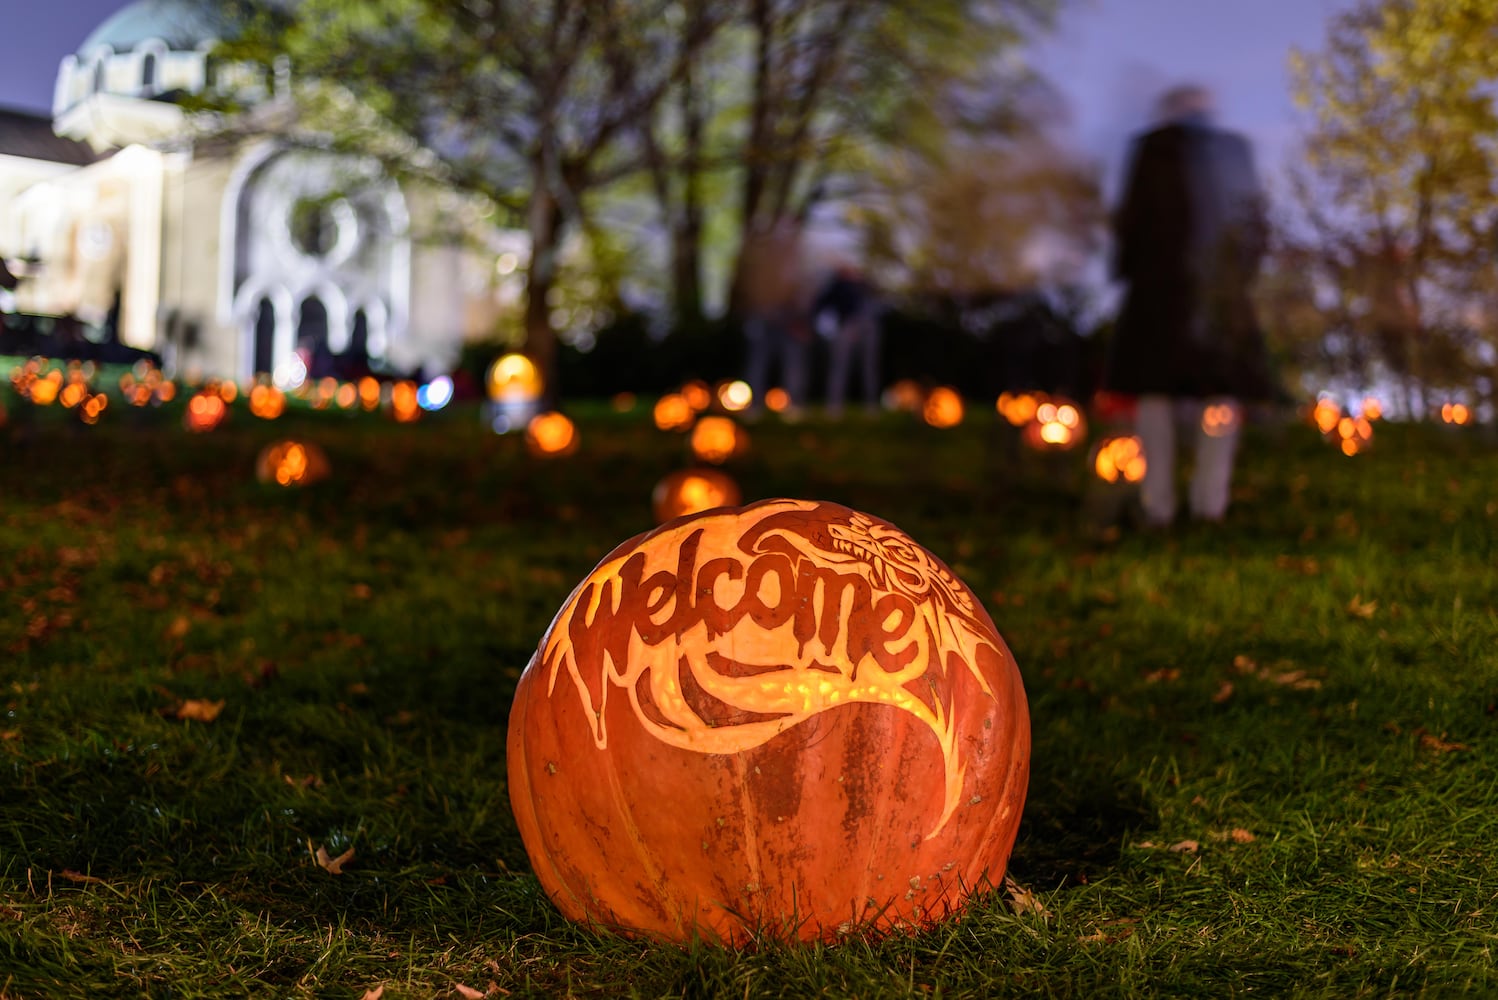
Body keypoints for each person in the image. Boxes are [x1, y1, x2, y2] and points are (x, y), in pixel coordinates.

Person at [1104, 84, 1275, 527]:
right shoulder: (1157, 150)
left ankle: (1198, 505)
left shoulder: (1217, 150)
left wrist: (1240, 275)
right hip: (1171, 291)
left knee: (1207, 399)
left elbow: (1251, 216)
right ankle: (1170, 505)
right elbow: (1135, 220)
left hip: (1208, 293)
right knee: (1164, 399)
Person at [738, 219, 812, 418]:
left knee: (793, 364)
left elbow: (804, 293)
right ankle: (754, 405)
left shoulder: (798, 263)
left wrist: (801, 318)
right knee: (758, 363)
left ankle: (794, 404)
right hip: (765, 317)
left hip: (790, 320)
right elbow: (753, 289)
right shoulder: (763, 261)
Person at [813, 263, 882, 418]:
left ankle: (871, 405)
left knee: (869, 369)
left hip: (868, 328)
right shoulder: (836, 286)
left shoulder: (866, 285)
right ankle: (834, 405)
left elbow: (879, 303)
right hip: (846, 328)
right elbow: (820, 304)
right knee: (839, 367)